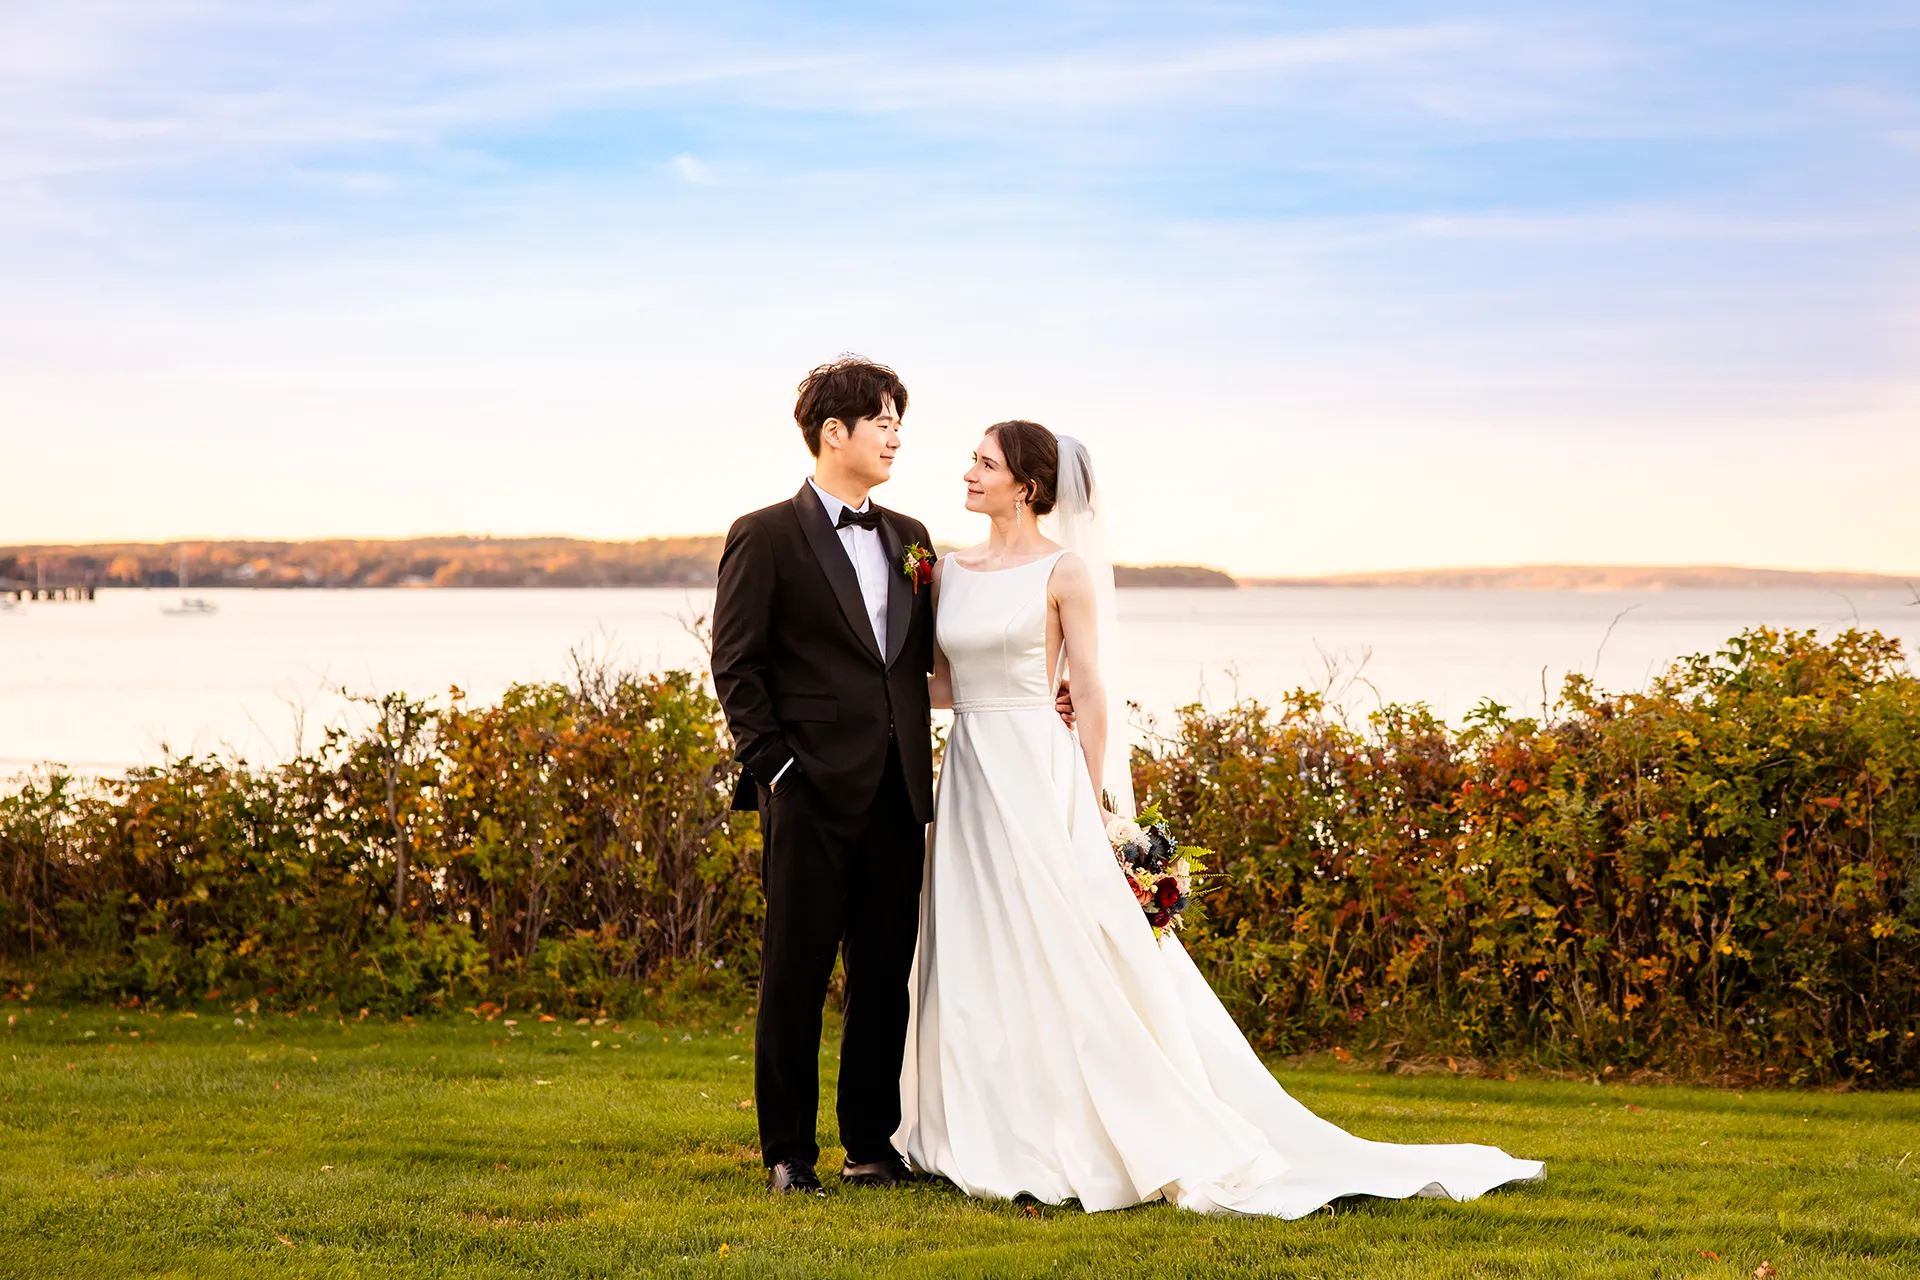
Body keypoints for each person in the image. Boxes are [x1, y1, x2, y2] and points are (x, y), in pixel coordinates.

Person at [896, 420, 1546, 1217]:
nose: (967, 471)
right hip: (968, 773)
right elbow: (936, 684)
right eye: (972, 459)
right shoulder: (949, 571)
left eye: (983, 462)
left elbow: (1091, 688)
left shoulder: (1064, 573)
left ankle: (1102, 1123)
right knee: (975, 942)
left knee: (1066, 944)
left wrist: (1098, 802)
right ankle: (986, 1122)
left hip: (1040, 772)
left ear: (1025, 486)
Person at [710, 356, 936, 1196]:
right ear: (831, 433)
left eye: (897, 421)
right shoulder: (764, 533)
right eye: (881, 419)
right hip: (806, 790)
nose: (895, 435)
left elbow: (920, 663)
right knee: (796, 974)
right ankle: (787, 1154)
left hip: (898, 788)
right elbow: (736, 663)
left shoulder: (911, 535)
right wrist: (778, 768)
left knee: (885, 975)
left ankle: (870, 1145)